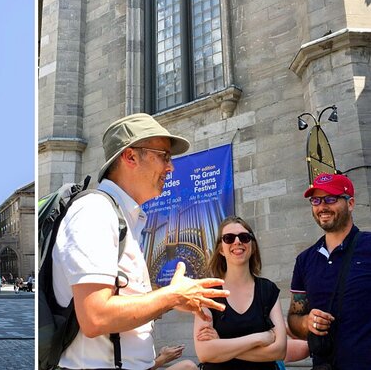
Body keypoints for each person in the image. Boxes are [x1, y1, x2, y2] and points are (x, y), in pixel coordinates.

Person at [51, 113, 229, 369]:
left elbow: (119, 305)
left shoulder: (125, 218)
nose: (171, 167)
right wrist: (171, 296)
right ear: (130, 156)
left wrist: (171, 298)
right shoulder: (95, 211)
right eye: (164, 156)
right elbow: (95, 316)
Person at [287, 173, 371, 369]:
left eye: (331, 199)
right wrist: (307, 322)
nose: (322, 206)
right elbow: (293, 319)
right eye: (316, 200)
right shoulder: (304, 260)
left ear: (350, 203)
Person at [193, 216, 287, 369]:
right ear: (220, 250)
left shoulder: (268, 290)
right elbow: (204, 353)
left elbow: (279, 350)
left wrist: (221, 344)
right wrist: (260, 338)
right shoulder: (208, 292)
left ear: (253, 246)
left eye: (244, 237)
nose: (237, 242)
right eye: (228, 238)